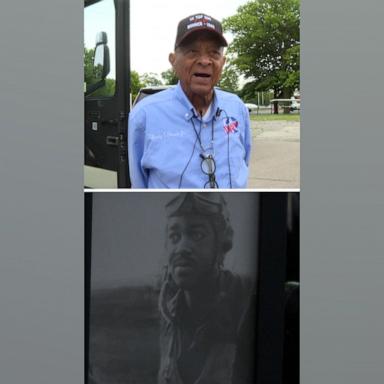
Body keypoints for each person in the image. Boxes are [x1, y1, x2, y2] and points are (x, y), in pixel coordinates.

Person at [128, 14, 251, 189]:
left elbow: (243, 165)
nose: (204, 61)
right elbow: (140, 186)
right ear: (173, 60)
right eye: (192, 51)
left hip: (229, 216)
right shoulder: (144, 115)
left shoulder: (237, 108)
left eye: (214, 53)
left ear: (223, 62)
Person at [158, 193, 251, 384]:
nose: (182, 247)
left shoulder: (245, 304)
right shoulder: (169, 315)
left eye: (197, 234)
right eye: (175, 236)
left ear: (220, 244)